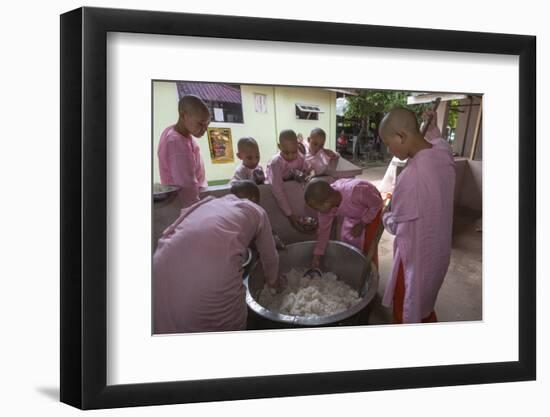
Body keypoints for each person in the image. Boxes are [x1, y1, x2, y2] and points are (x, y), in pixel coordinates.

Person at [153, 181, 283, 334]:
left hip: (160, 266)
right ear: (254, 198)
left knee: (171, 323)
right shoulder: (256, 210)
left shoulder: (210, 203)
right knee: (224, 325)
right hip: (212, 276)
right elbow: (270, 257)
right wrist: (273, 284)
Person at [379, 107, 455, 324]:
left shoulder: (410, 178)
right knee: (426, 301)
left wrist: (386, 215)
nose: (388, 149)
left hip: (415, 258)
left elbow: (397, 226)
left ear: (401, 136)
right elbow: (436, 140)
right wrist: (431, 128)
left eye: (388, 143)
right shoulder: (443, 153)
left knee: (407, 305)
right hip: (439, 253)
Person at [304, 178, 383, 269]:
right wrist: (317, 255)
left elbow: (377, 203)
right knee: (347, 237)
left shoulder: (357, 192)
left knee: (367, 244)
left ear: (326, 203)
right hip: (354, 212)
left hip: (372, 207)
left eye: (317, 209)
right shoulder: (327, 208)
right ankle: (354, 266)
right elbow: (323, 232)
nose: (317, 212)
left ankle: (370, 271)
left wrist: (362, 224)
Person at [157, 94, 211, 208]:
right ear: (183, 115)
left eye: (207, 125)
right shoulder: (176, 142)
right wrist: (197, 210)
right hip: (188, 206)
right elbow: (186, 185)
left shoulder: (177, 133)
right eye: (201, 123)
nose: (205, 129)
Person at [266, 129, 312, 231]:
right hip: (278, 201)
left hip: (294, 197)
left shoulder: (300, 157)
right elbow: (277, 190)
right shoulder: (275, 163)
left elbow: (307, 170)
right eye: (286, 152)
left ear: (298, 146)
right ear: (279, 146)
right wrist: (290, 215)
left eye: (294, 152)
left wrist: (307, 174)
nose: (291, 156)